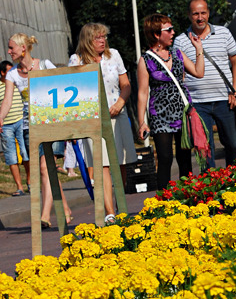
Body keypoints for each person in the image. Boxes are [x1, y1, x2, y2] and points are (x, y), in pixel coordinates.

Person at [0, 33, 71, 228]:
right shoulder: (13, 74)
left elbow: (65, 87)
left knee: (44, 168)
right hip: (29, 127)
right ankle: (65, 208)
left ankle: (45, 215)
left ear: (23, 48)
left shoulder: (46, 65)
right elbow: (7, 101)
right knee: (46, 170)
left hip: (52, 123)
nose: (8, 51)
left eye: (11, 47)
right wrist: (0, 118)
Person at [69, 23, 138, 224]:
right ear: (87, 40)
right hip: (95, 120)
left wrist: (120, 102)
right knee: (103, 165)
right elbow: (73, 89)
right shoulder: (76, 59)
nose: (103, 41)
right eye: (98, 38)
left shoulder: (113, 55)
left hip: (118, 114)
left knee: (121, 163)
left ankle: (119, 203)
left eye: (104, 37)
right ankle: (109, 212)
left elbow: (125, 84)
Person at [137, 12, 205, 189]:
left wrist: (199, 50)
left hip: (182, 113)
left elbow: (199, 72)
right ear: (156, 34)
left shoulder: (178, 53)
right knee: (165, 158)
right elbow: (143, 93)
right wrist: (142, 122)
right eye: (169, 29)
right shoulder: (145, 60)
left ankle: (188, 197)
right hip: (159, 115)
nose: (173, 32)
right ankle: (164, 201)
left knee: (184, 158)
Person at [173, 0, 236, 168]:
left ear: (208, 13)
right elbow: (180, 73)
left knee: (234, 145)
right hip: (197, 102)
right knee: (204, 150)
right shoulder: (180, 41)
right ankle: (211, 186)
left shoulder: (223, 33)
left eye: (203, 13)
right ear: (189, 15)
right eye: (195, 13)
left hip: (225, 99)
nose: (200, 17)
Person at [0, 59, 30, 195]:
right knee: (11, 156)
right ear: (2, 73)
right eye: (8, 71)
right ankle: (20, 187)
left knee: (26, 154)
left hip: (20, 122)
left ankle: (30, 182)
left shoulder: (16, 83)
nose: (13, 73)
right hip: (5, 126)